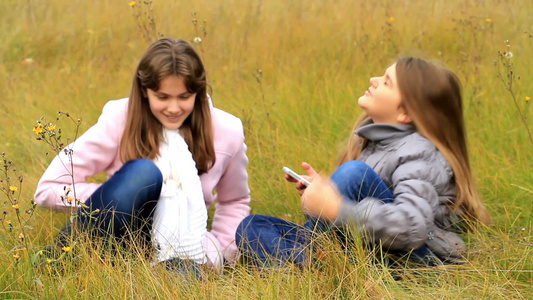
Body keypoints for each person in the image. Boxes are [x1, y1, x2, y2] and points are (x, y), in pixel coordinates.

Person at [236, 57, 491, 268]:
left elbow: (412, 227)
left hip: (415, 258)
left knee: (353, 173)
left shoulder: (419, 153)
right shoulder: (376, 142)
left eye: (386, 82)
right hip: (367, 248)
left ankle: (308, 264)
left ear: (405, 112)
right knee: (251, 225)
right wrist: (323, 192)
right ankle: (315, 266)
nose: (374, 80)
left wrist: (336, 208)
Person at [34, 38, 251, 274]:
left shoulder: (227, 130)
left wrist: (219, 249)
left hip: (183, 246)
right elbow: (49, 188)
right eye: (163, 97)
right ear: (144, 92)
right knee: (144, 174)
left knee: (187, 281)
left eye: (184, 96)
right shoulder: (120, 118)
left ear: (198, 92)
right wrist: (116, 195)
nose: (174, 108)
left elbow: (234, 201)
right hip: (118, 237)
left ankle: (157, 272)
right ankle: (55, 266)